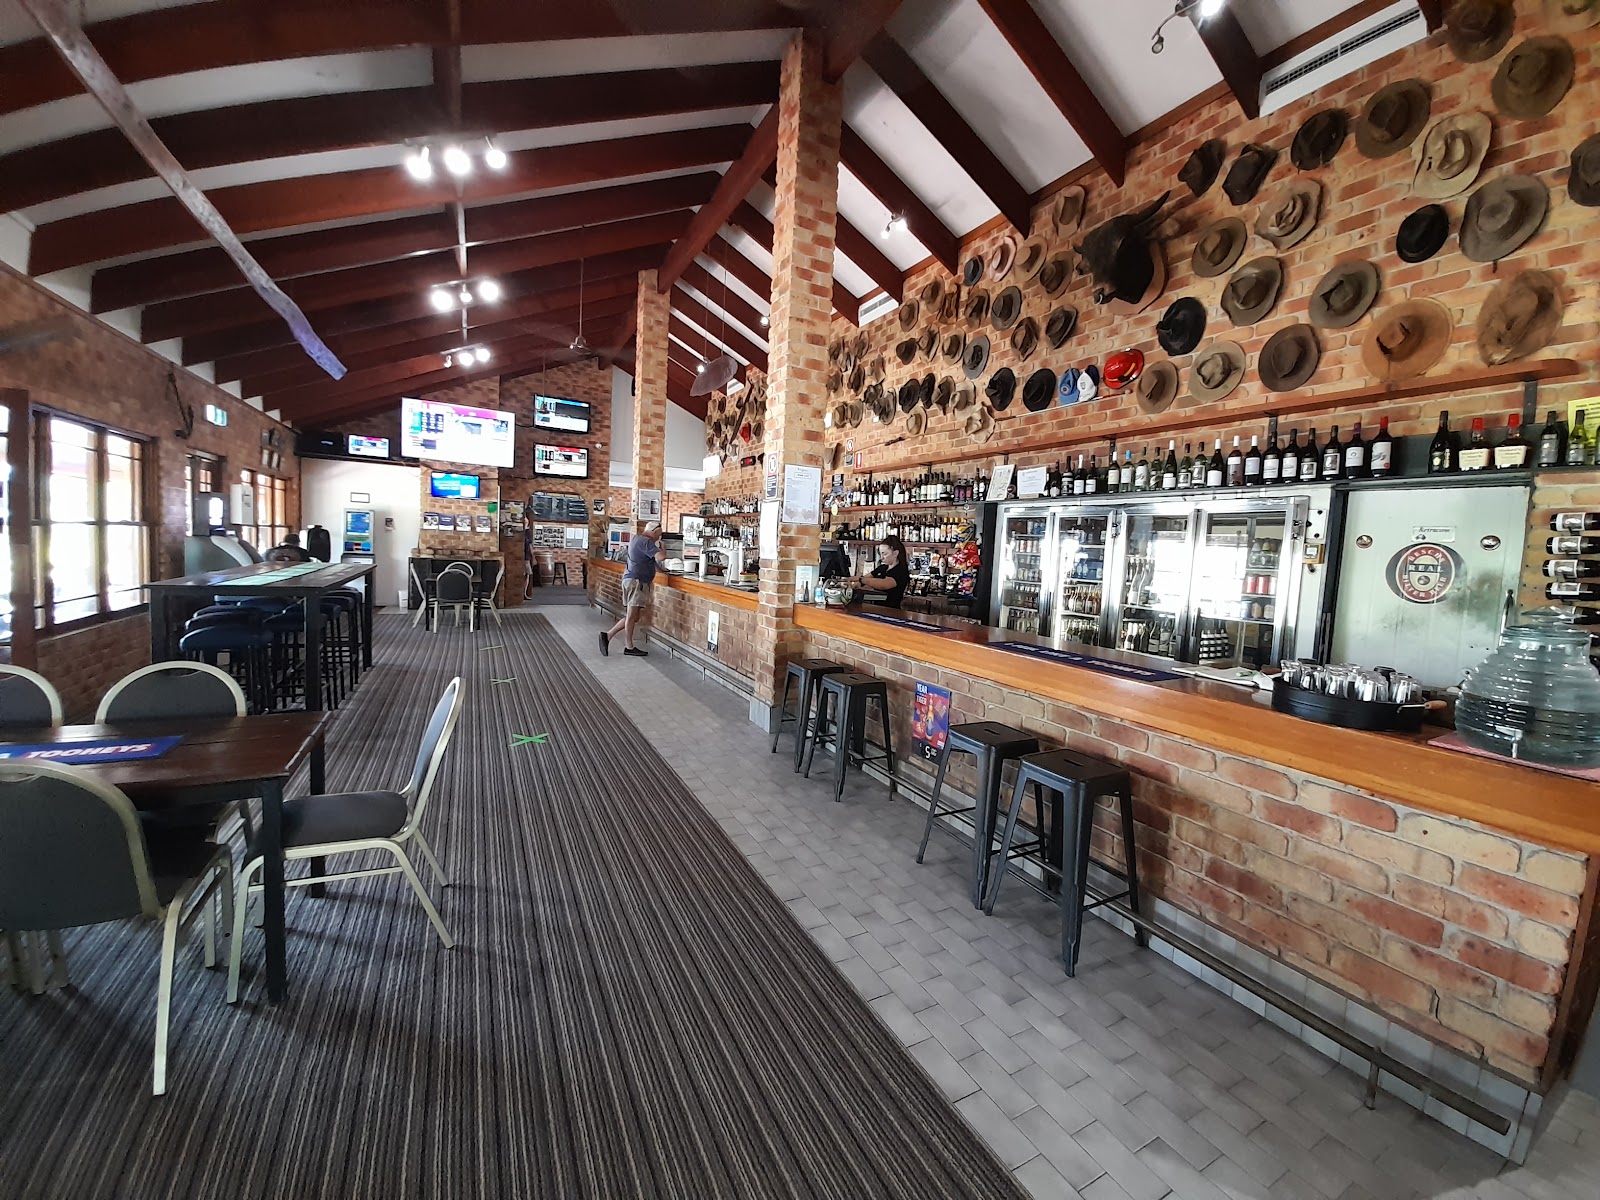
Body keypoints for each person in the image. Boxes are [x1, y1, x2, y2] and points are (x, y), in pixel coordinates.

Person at [600, 522, 665, 657]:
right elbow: (661, 557)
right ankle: (628, 646)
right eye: (658, 535)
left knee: (634, 616)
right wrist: (663, 547)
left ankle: (608, 635)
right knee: (631, 615)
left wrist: (663, 571)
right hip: (636, 582)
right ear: (654, 532)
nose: (658, 538)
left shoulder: (637, 539)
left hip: (633, 580)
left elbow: (651, 561)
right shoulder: (646, 541)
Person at [850, 534, 911, 609]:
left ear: (895, 553)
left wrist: (861, 580)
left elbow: (884, 584)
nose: (881, 557)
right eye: (880, 553)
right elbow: (867, 577)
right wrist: (855, 583)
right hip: (876, 608)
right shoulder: (883, 567)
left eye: (884, 554)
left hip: (892, 610)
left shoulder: (900, 571)